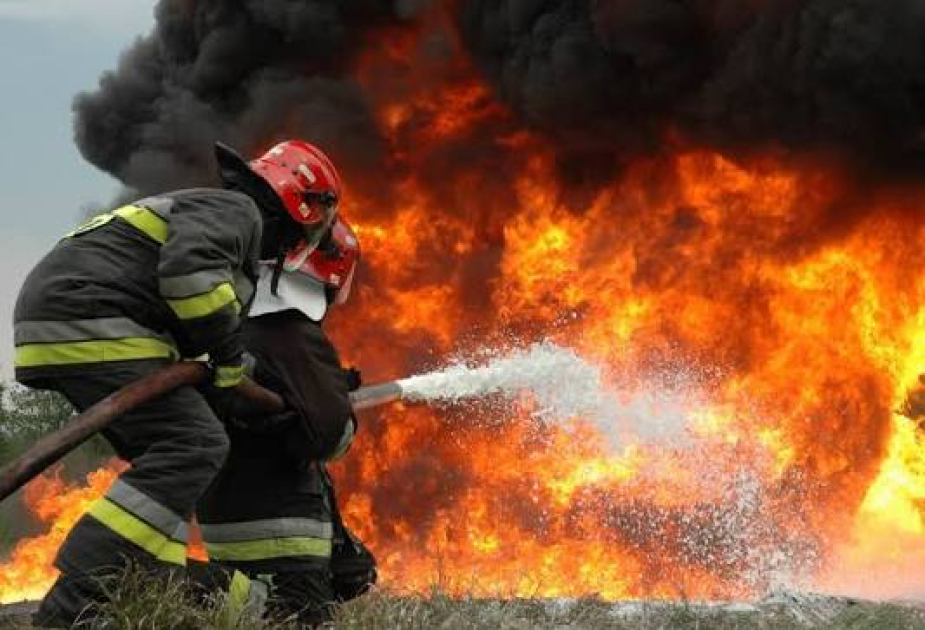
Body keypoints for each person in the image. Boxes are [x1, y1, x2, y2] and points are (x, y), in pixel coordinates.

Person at [13, 139, 343, 627]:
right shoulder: (237, 212)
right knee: (194, 442)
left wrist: (229, 382)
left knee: (166, 465)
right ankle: (77, 596)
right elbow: (190, 278)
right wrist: (231, 362)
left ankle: (137, 588)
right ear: (300, 204)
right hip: (93, 316)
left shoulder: (214, 213)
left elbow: (186, 314)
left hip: (71, 319)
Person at [195, 215, 377, 627]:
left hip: (226, 524)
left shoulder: (232, 330)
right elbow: (329, 436)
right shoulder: (291, 331)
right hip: (282, 532)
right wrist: (332, 405)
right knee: (295, 615)